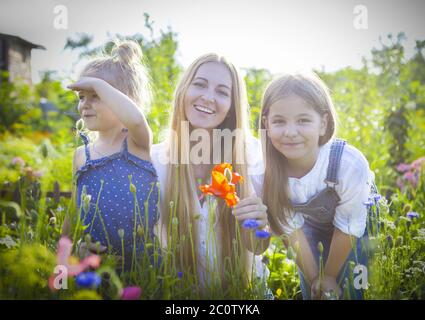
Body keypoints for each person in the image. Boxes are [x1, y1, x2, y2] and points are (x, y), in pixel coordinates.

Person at [151, 53, 270, 296]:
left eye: (222, 92)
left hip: (242, 297)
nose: (208, 97)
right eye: (200, 84)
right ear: (184, 90)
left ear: (230, 108)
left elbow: (259, 247)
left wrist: (260, 227)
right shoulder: (154, 162)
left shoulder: (254, 156)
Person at [258, 73, 375, 299]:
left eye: (303, 120)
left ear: (323, 123)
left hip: (355, 226)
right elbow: (292, 230)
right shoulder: (269, 172)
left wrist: (329, 276)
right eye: (279, 121)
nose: (290, 132)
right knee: (314, 291)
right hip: (308, 228)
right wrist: (316, 279)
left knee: (352, 287)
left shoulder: (348, 165)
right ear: (267, 124)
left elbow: (348, 228)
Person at [64, 40, 159, 272]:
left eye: (96, 95)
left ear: (125, 101)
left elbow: (136, 119)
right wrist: (71, 251)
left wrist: (96, 82)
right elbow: (74, 211)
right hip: (96, 267)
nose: (85, 104)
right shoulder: (81, 155)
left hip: (143, 267)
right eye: (81, 97)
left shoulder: (137, 142)